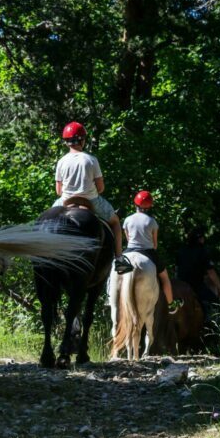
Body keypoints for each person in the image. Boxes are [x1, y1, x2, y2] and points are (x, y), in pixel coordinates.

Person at [51, 122, 124, 265]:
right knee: (115, 222)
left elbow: (58, 191)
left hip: (66, 201)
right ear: (82, 140)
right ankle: (119, 258)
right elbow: (101, 188)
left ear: (66, 142)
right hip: (91, 201)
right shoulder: (91, 160)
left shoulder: (61, 162)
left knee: (44, 221)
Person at [121, 190, 184, 314]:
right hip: (148, 252)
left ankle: (109, 296)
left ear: (135, 204)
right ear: (149, 206)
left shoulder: (127, 220)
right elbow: (154, 244)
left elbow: (128, 239)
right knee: (165, 277)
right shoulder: (152, 222)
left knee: (114, 268)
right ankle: (171, 304)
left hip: (129, 251)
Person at [176, 228, 220, 321]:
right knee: (215, 303)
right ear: (200, 239)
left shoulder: (182, 250)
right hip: (195, 285)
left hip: (180, 283)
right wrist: (219, 288)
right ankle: (211, 326)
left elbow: (177, 269)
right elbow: (211, 273)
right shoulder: (202, 251)